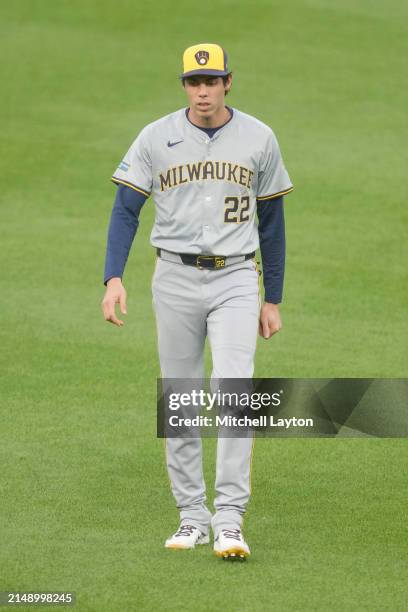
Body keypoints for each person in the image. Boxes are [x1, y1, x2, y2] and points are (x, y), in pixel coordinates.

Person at [102, 43, 293, 560]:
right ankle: (192, 517)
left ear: (228, 81)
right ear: (184, 84)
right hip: (174, 278)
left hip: (236, 279)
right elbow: (125, 211)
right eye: (193, 82)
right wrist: (112, 279)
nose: (202, 91)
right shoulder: (155, 137)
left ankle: (229, 520)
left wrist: (271, 297)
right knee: (181, 398)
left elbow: (272, 223)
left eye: (212, 81)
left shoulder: (260, 137)